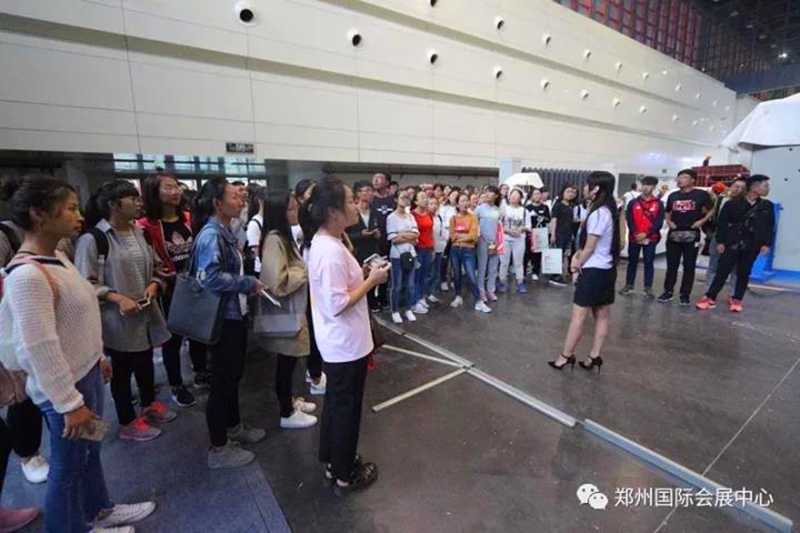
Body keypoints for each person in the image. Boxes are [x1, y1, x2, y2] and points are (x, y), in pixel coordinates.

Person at [1, 174, 155, 533]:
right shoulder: (28, 275)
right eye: (70, 208)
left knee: (91, 451)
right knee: (68, 468)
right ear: (39, 214)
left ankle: (99, 509)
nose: (79, 215)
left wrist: (98, 357)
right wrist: (69, 404)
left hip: (86, 375)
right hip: (64, 391)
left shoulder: (57, 256)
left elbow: (79, 316)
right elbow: (38, 348)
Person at [302, 176, 390, 496]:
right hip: (344, 344)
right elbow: (337, 304)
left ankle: (334, 460)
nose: (356, 205)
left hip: (341, 341)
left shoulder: (330, 242)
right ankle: (344, 474)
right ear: (333, 211)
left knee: (338, 406)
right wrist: (372, 281)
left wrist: (363, 275)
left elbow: (337, 291)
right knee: (346, 410)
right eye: (351, 200)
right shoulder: (329, 250)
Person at [76, 181, 176, 442]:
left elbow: (157, 268)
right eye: (133, 198)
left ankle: (149, 406)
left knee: (145, 363)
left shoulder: (140, 233)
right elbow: (84, 284)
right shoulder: (94, 240)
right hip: (115, 320)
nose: (139, 203)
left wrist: (154, 285)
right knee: (121, 371)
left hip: (145, 314)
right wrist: (117, 297)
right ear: (114, 205)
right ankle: (127, 422)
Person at [191, 178, 268, 469]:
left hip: (235, 313)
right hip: (222, 319)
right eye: (235, 196)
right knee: (222, 381)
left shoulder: (224, 231)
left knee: (233, 376)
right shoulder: (211, 235)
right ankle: (219, 447)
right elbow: (208, 277)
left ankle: (234, 427)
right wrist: (246, 282)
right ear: (217, 203)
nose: (241, 201)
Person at [139, 173, 205, 403]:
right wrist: (159, 273)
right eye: (168, 188)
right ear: (154, 193)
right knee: (172, 338)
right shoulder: (145, 226)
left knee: (198, 333)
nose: (175, 191)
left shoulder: (189, 218)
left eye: (176, 186)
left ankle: (200, 372)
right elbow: (147, 259)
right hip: (169, 289)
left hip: (194, 284)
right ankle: (176, 385)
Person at [549, 171, 620, 374]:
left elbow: (589, 248)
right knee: (602, 315)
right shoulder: (609, 211)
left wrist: (576, 266)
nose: (585, 189)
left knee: (578, 316)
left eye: (588, 185)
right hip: (607, 269)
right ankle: (594, 356)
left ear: (596, 188)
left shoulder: (599, 213)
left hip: (593, 271)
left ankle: (565, 356)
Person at [258, 192, 318, 429]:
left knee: (289, 363)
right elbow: (276, 281)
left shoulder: (284, 236)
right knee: (286, 364)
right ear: (279, 213)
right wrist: (304, 272)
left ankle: (290, 401)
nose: (296, 212)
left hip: (293, 309)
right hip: (286, 312)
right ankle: (287, 412)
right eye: (291, 209)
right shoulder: (275, 239)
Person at [0, 218, 50, 486]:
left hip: (28, 322)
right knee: (21, 395)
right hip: (13, 328)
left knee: (34, 391)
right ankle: (29, 455)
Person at [697, 175, 775, 313]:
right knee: (722, 271)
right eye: (765, 186)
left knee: (743, 273)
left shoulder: (766, 206)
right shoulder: (732, 203)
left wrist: (766, 244)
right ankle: (709, 297)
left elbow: (769, 226)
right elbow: (722, 223)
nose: (767, 188)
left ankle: (737, 299)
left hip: (752, 245)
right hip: (731, 243)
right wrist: (721, 242)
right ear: (754, 187)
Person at [657, 169, 714, 306]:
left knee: (689, 267)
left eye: (684, 177)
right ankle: (668, 291)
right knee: (672, 266)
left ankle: (685, 294)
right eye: (679, 177)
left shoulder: (701, 195)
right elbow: (667, 211)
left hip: (692, 235)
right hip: (674, 235)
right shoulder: (673, 195)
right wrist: (669, 222)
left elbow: (712, 209)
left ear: (692, 180)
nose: (680, 179)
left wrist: (702, 221)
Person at [619, 176, 664, 298]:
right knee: (632, 262)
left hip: (650, 238)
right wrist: (635, 233)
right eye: (643, 184)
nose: (645, 187)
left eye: (648, 185)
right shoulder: (633, 202)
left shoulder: (658, 203)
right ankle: (629, 285)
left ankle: (648, 287)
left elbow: (659, 222)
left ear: (654, 187)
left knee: (649, 263)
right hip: (634, 238)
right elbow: (630, 220)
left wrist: (646, 234)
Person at [449, 193, 492, 313]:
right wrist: (464, 236)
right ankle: (458, 296)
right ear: (457, 204)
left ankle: (478, 301)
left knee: (471, 276)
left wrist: (459, 236)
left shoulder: (473, 217)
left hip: (468, 250)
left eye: (466, 201)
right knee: (457, 275)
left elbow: (473, 236)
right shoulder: (453, 218)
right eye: (462, 201)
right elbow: (452, 236)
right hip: (455, 250)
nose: (465, 203)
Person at [705, 177, 746, 292]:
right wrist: (709, 230)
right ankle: (709, 291)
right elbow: (714, 215)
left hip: (736, 238)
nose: (738, 190)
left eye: (742, 188)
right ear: (730, 186)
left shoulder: (745, 204)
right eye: (736, 186)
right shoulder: (721, 199)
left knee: (735, 267)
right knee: (713, 264)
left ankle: (732, 293)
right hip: (718, 234)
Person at [346, 181, 381, 312]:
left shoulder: (375, 211)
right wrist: (361, 235)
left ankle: (372, 302)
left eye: (371, 191)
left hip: (372, 250)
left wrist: (377, 235)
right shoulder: (351, 211)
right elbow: (345, 235)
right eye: (367, 190)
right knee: (358, 280)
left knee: (373, 279)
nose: (370, 193)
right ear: (358, 193)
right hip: (357, 252)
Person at [386, 191, 419, 324]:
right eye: (403, 197)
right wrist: (409, 236)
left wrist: (401, 234)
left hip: (411, 254)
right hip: (397, 255)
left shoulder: (410, 216)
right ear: (396, 199)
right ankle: (395, 311)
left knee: (410, 285)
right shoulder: (391, 217)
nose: (406, 200)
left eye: (407, 198)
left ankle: (408, 309)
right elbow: (393, 239)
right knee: (397, 286)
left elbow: (416, 235)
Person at [371, 173, 395, 309]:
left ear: (387, 182)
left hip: (389, 241)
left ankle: (382, 296)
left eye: (379, 178)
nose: (375, 180)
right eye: (374, 178)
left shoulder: (393, 200)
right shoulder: (371, 200)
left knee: (386, 269)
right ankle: (371, 299)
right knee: (373, 269)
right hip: (374, 241)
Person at [498, 188, 528, 293]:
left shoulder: (524, 211)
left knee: (518, 262)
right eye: (512, 194)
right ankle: (502, 282)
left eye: (516, 195)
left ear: (520, 198)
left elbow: (528, 226)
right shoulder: (504, 209)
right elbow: (499, 224)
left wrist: (521, 229)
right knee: (504, 262)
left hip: (519, 239)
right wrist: (508, 231)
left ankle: (520, 283)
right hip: (505, 238)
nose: (513, 196)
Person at [475, 185, 501, 301]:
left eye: (490, 192)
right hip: (482, 241)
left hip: (495, 242)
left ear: (496, 195)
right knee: (482, 267)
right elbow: (475, 225)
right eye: (486, 192)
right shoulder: (479, 209)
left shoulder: (498, 210)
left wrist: (497, 241)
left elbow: (500, 227)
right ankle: (480, 290)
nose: (487, 194)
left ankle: (491, 290)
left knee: (493, 268)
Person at [549, 184, 578, 286]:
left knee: (566, 255)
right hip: (559, 234)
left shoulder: (571, 206)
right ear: (563, 193)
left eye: (571, 192)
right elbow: (554, 220)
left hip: (568, 234)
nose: (570, 194)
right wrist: (553, 234)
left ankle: (563, 275)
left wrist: (571, 234)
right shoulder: (558, 206)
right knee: (558, 255)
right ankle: (554, 276)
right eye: (568, 191)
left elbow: (570, 221)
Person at [411, 190, 435, 314]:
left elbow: (431, 232)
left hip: (427, 248)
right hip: (417, 249)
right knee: (416, 276)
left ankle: (421, 297)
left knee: (425, 276)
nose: (425, 200)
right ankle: (414, 302)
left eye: (426, 197)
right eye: (422, 198)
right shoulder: (412, 215)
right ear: (415, 201)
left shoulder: (429, 214)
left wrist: (432, 248)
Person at [524, 188, 550, 282]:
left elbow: (548, 219)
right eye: (535, 194)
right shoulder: (527, 207)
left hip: (540, 233)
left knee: (538, 253)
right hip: (529, 233)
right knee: (527, 253)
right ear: (531, 196)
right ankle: (523, 272)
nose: (537, 196)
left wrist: (541, 217)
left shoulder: (545, 207)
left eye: (539, 194)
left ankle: (535, 272)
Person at [438, 189, 459, 292]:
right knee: (445, 260)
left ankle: (455, 280)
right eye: (452, 195)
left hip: (457, 238)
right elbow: (441, 222)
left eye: (456, 195)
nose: (454, 197)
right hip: (446, 237)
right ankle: (443, 280)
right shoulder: (444, 208)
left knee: (456, 260)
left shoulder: (459, 209)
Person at [245, 186, 267, 277]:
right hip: (261, 269)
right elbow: (257, 251)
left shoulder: (268, 219)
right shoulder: (254, 223)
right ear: (260, 201)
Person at [429, 197, 446, 304]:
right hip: (429, 249)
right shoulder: (426, 217)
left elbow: (442, 233)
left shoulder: (439, 217)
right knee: (428, 273)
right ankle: (423, 295)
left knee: (435, 273)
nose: (434, 206)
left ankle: (431, 293)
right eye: (431, 203)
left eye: (435, 204)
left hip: (439, 248)